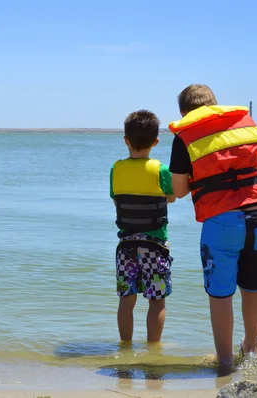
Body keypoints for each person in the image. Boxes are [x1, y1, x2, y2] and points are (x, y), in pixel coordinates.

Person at [168, 84, 257, 368]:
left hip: (222, 221)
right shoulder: (241, 126)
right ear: (215, 104)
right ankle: (251, 349)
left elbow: (179, 191)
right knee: (253, 289)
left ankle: (225, 362)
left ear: (184, 113)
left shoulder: (185, 136)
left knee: (220, 294)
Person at [110, 110, 176, 344]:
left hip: (126, 246)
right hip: (154, 246)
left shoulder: (116, 169)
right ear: (156, 141)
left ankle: (125, 347)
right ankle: (153, 350)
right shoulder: (162, 170)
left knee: (126, 299)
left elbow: (117, 199)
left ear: (126, 140)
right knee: (156, 300)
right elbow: (172, 197)